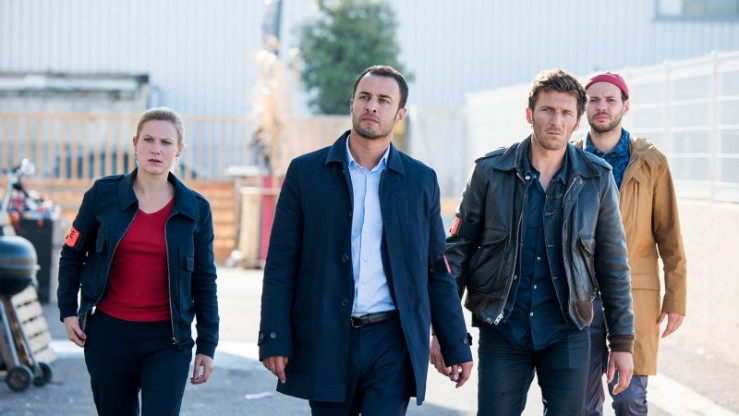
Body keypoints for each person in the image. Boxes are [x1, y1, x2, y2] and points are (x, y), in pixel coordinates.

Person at [258, 65, 473, 416]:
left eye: (384, 100)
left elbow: (437, 268)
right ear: (352, 104)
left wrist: (455, 342)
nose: (372, 106)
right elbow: (281, 262)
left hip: (392, 342)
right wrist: (274, 336)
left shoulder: (420, 181)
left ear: (399, 114)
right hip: (326, 337)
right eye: (365, 97)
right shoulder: (306, 173)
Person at [432, 69, 635, 416]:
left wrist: (622, 342)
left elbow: (613, 264)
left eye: (566, 112)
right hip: (503, 328)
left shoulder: (596, 178)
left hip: (568, 330)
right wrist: (445, 332)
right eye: (547, 110)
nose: (556, 120)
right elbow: (457, 252)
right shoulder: (490, 171)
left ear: (577, 121)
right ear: (530, 114)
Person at [57, 107, 219, 415]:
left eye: (166, 142)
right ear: (135, 143)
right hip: (109, 335)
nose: (156, 149)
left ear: (179, 149)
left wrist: (207, 345)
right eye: (148, 139)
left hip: (169, 339)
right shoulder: (102, 195)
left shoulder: (196, 209)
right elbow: (72, 252)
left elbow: (205, 280)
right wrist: (67, 310)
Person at [578, 71, 687, 416]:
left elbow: (670, 236)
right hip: (579, 297)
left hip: (634, 295)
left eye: (610, 100)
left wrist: (676, 298)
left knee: (630, 399)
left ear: (625, 106)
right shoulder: (568, 158)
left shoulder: (651, 162)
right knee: (581, 402)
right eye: (594, 100)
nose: (602, 107)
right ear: (584, 106)